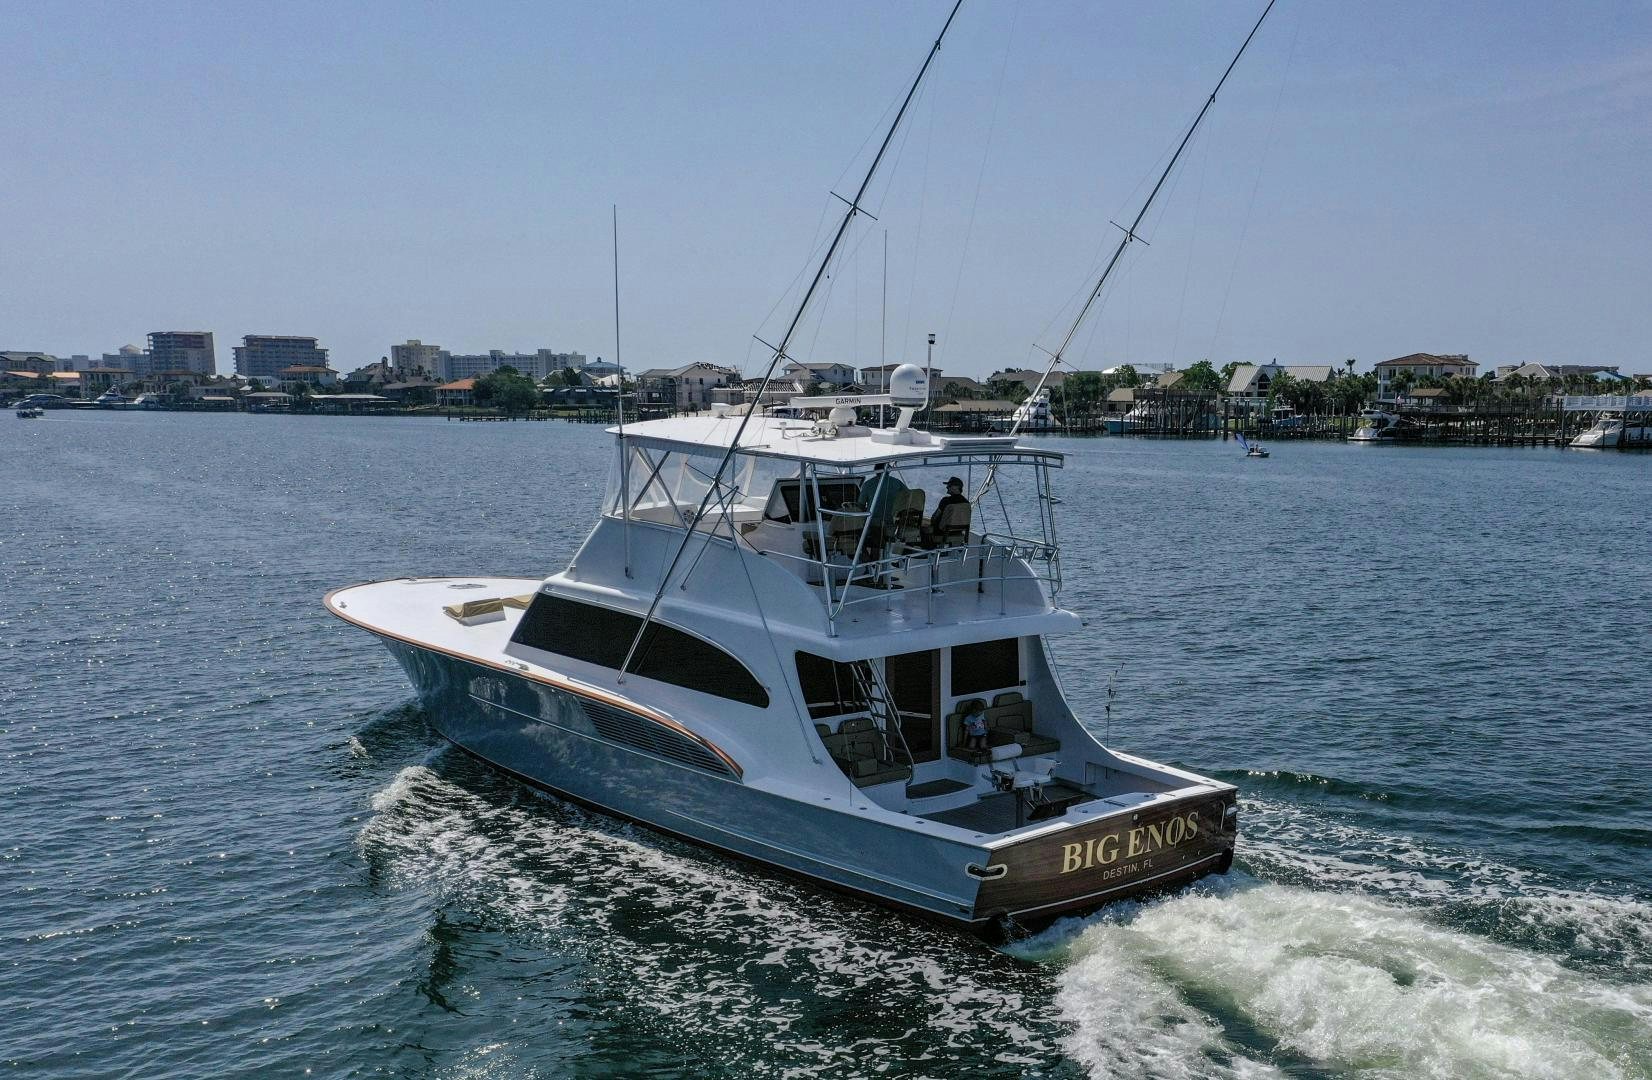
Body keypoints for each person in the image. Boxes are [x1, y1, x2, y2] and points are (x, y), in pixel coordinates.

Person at [929, 475, 969, 540]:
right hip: (958, 532)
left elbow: (934, 517)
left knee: (924, 531)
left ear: (955, 487)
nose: (947, 487)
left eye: (949, 485)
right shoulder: (966, 503)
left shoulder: (945, 501)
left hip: (941, 532)